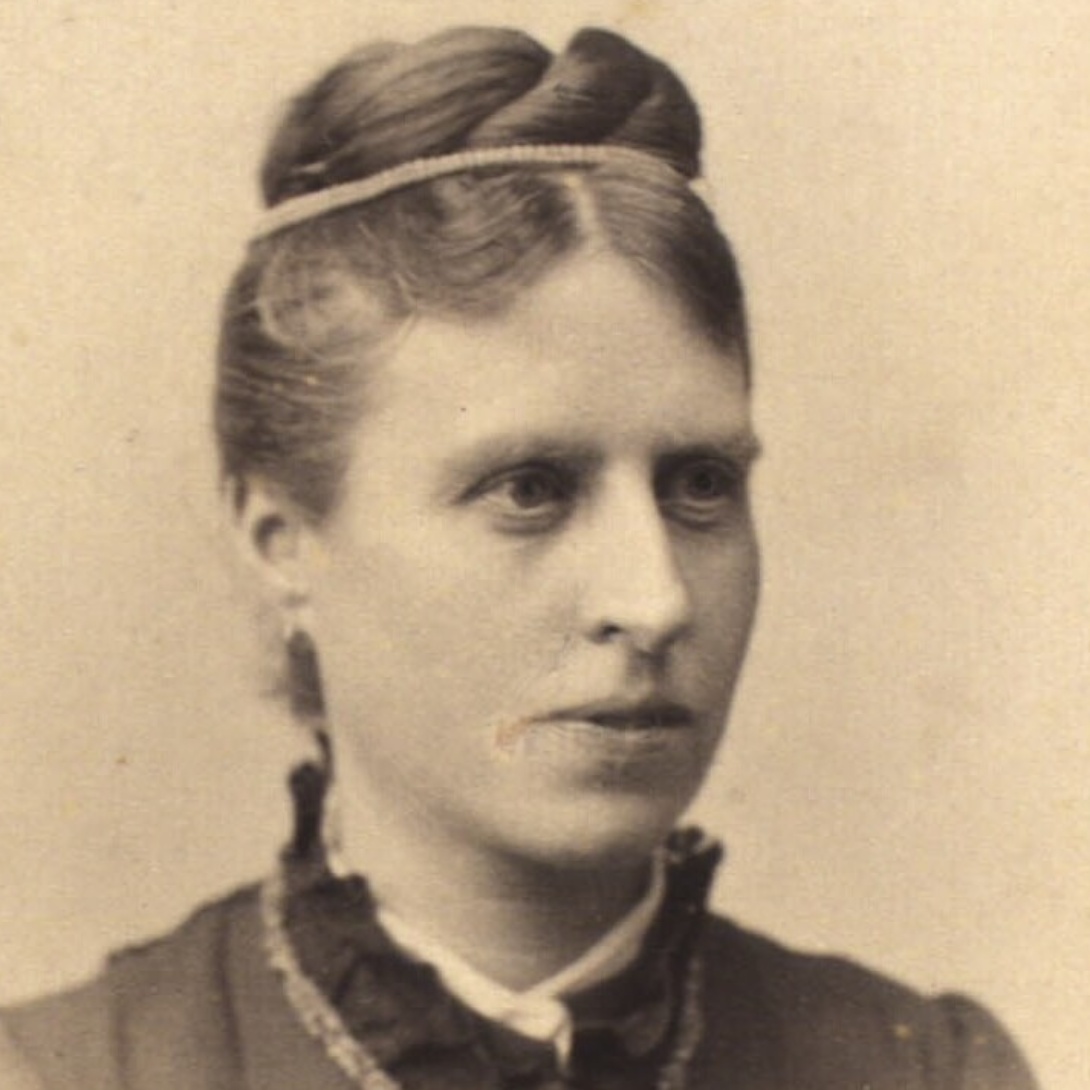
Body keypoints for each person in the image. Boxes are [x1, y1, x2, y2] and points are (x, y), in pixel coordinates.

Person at [0, 24, 1038, 1090]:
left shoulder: (928, 1072)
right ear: (284, 544)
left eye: (699, 484)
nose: (656, 598)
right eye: (530, 489)